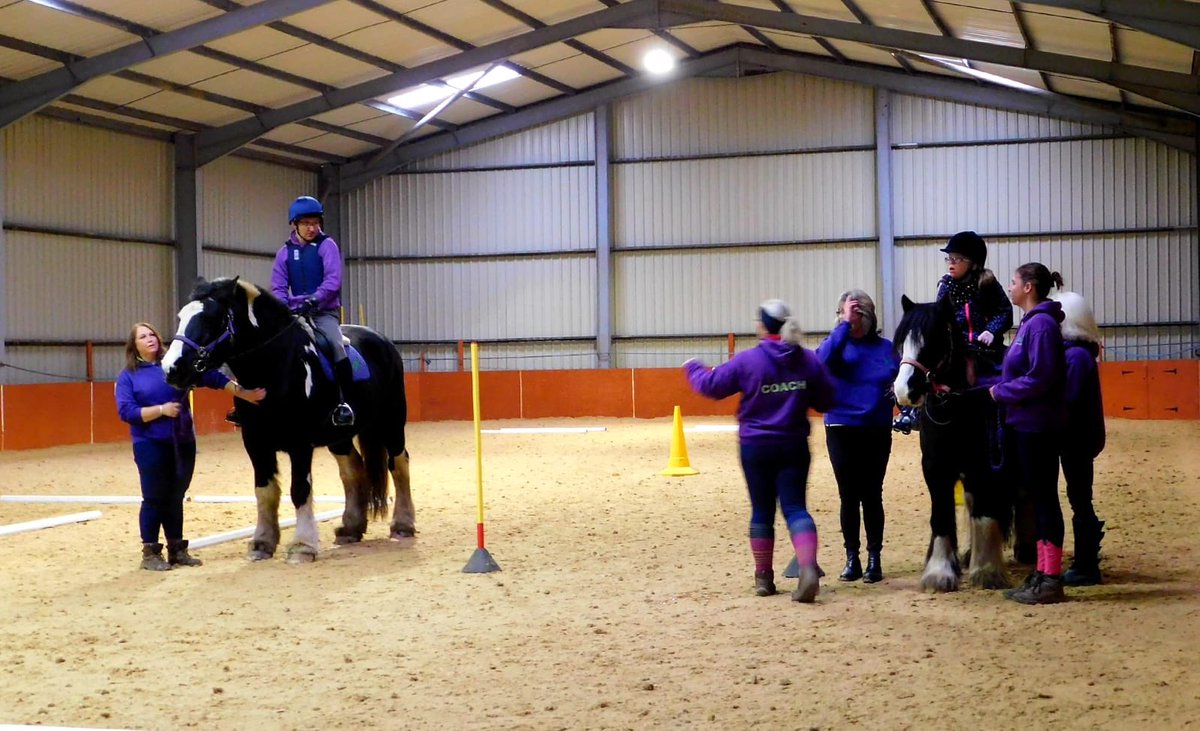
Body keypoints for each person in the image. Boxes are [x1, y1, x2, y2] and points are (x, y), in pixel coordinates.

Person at [684, 299, 835, 603]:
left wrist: (692, 368)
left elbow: (712, 386)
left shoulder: (747, 361)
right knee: (795, 508)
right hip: (793, 444)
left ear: (762, 326)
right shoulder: (807, 360)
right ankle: (806, 567)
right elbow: (826, 400)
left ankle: (764, 579)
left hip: (755, 446)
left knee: (761, 511)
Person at [115, 322, 265, 571]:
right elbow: (126, 411)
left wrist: (243, 394)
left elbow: (212, 376)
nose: (150, 338)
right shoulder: (128, 377)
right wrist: (161, 410)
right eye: (143, 336)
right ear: (135, 345)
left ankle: (177, 549)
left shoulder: (176, 365)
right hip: (150, 444)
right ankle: (150, 552)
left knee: (175, 496)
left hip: (182, 440)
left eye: (152, 333)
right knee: (153, 497)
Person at [988, 263, 1068, 604]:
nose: (1011, 287)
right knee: (1039, 499)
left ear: (1029, 287)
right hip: (1025, 424)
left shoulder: (1041, 327)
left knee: (1045, 500)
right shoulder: (1031, 325)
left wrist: (1001, 392)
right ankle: (1042, 571)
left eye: (1015, 282)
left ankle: (1051, 577)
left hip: (1037, 426)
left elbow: (1042, 377)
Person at [816, 290, 900, 584]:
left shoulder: (887, 348)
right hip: (841, 427)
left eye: (857, 315)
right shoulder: (834, 346)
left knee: (872, 493)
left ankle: (874, 557)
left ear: (869, 316)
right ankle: (852, 557)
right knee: (848, 495)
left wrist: (899, 400)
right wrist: (842, 326)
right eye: (844, 314)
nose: (852, 320)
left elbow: (899, 381)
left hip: (875, 428)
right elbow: (820, 362)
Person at [893, 231, 1013, 433]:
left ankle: (1002, 423)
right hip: (958, 343)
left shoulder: (988, 284)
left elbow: (1005, 311)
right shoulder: (945, 285)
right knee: (927, 364)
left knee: (1006, 373)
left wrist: (991, 331)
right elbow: (941, 315)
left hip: (986, 347)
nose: (951, 262)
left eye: (957, 259)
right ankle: (911, 412)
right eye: (949, 258)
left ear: (973, 262)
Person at [271, 195, 355, 427]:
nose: (312, 228)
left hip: (323, 312)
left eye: (315, 223)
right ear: (294, 224)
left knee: (335, 345)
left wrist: (315, 300)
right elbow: (277, 287)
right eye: (307, 223)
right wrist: (283, 305)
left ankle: (343, 403)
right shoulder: (284, 253)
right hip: (294, 313)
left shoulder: (327, 245)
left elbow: (333, 280)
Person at [1053, 291, 1106, 586]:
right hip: (1082, 436)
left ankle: (1086, 563)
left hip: (1075, 436)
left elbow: (1068, 399)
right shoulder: (1082, 354)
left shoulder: (1074, 357)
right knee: (1080, 495)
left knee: (1079, 497)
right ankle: (1087, 556)